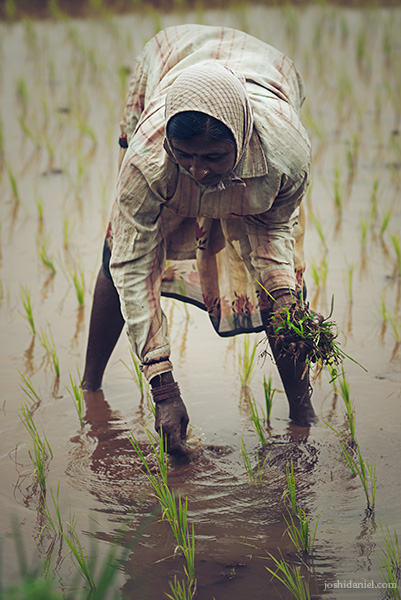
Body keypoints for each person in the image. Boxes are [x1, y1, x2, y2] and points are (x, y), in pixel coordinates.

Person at [82, 24, 320, 456]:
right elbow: (132, 264)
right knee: (116, 248)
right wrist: (163, 387)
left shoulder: (284, 154)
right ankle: (90, 389)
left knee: (287, 294)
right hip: (173, 59)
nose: (198, 170)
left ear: (242, 140)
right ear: (170, 143)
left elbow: (273, 229)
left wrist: (283, 293)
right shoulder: (149, 159)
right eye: (185, 155)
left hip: (268, 76)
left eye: (212, 156)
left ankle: (303, 415)